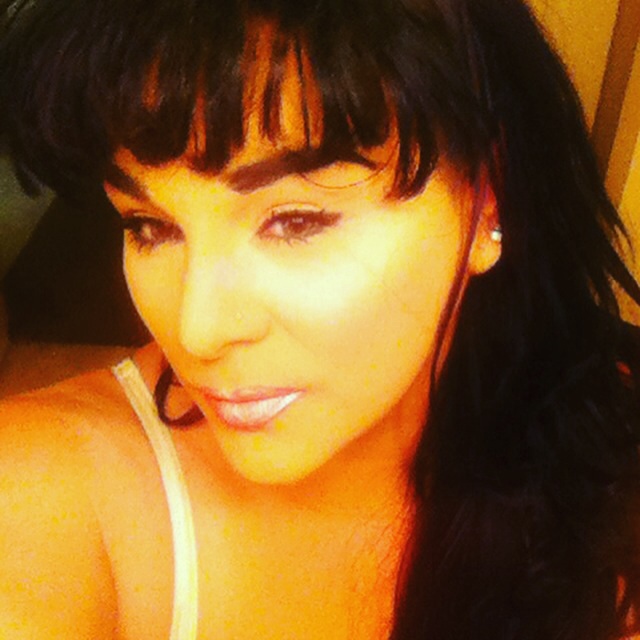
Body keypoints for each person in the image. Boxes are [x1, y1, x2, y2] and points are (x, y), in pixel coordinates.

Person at [1, 0, 640, 638]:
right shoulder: (43, 487)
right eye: (150, 226)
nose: (198, 332)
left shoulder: (597, 441)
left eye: (295, 221)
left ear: (486, 197)